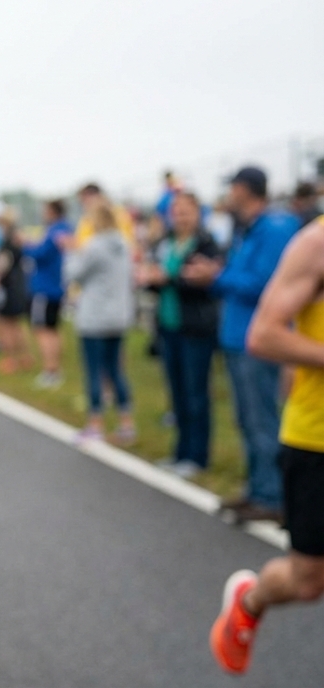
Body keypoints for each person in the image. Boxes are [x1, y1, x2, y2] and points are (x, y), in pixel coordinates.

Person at [210, 214, 324, 675]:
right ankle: (250, 601)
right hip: (317, 439)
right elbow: (264, 335)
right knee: (308, 580)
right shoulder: (315, 243)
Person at [182, 166, 300, 523]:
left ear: (245, 189)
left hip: (260, 340)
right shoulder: (246, 228)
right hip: (238, 336)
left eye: (232, 188)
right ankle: (258, 490)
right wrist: (216, 275)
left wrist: (217, 275)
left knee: (262, 419)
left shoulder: (276, 228)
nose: (228, 195)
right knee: (247, 419)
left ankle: (274, 496)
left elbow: (269, 283)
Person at [138, 192, 221, 477]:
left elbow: (205, 282)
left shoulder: (207, 243)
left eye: (186, 211)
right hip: (168, 324)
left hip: (195, 327)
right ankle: (180, 451)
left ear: (197, 213)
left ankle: (197, 455)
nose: (180, 216)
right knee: (177, 392)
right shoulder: (165, 243)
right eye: (176, 211)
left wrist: (169, 279)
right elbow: (157, 278)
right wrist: (151, 280)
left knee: (196, 392)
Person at [65, 199, 136, 444]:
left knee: (94, 371)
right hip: (119, 315)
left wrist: (72, 252)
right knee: (116, 370)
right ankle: (126, 422)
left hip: (95, 317)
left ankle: (95, 423)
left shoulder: (94, 246)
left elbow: (74, 275)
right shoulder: (123, 245)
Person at [24, 199, 73, 388]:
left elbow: (39, 253)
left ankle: (50, 370)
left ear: (53, 211)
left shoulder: (54, 232)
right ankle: (54, 369)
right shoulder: (66, 229)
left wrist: (26, 245)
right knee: (53, 329)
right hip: (57, 287)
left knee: (43, 329)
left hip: (45, 288)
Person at [0, 211, 32, 374]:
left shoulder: (7, 243)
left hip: (9, 286)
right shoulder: (19, 239)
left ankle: (10, 359)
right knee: (16, 325)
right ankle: (25, 356)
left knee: (6, 324)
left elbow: (2, 266)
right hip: (19, 284)